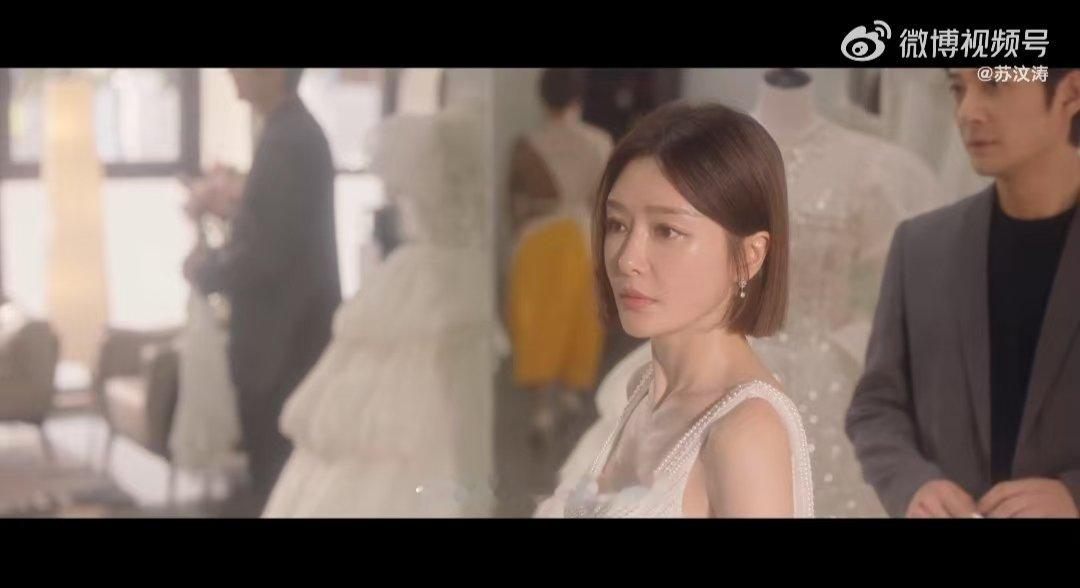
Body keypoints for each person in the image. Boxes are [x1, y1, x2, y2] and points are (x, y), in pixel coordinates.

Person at [550, 102, 813, 517]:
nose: (627, 259)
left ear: (749, 256)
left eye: (667, 231)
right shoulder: (643, 388)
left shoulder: (744, 433)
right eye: (617, 224)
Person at [846, 68, 1080, 518]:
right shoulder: (921, 246)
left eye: (994, 84)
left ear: (1070, 93)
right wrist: (913, 484)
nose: (968, 111)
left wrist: (1074, 495)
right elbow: (876, 405)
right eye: (958, 89)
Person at [183, 68, 340, 515]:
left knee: (277, 481)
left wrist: (208, 271)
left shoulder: (288, 140)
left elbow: (270, 253)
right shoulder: (285, 131)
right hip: (289, 336)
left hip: (284, 342)